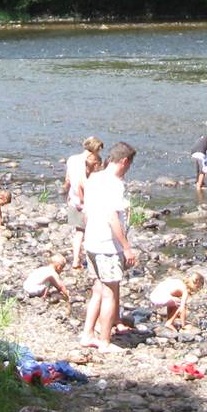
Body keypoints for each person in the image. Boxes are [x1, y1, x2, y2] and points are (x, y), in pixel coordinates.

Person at [79, 141, 138, 350]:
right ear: (124, 161)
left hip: (91, 242)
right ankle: (104, 341)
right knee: (110, 294)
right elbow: (113, 217)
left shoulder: (94, 178)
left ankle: (87, 335)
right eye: (129, 165)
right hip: (107, 246)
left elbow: (86, 213)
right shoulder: (114, 184)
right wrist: (126, 247)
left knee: (97, 290)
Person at [62, 136, 104, 269]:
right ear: (96, 149)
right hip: (89, 201)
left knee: (78, 232)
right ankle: (91, 259)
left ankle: (76, 260)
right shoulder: (94, 161)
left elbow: (68, 180)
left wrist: (66, 192)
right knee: (91, 231)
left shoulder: (72, 159)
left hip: (73, 199)